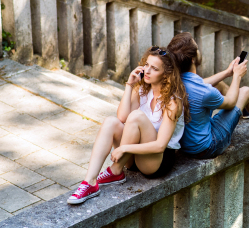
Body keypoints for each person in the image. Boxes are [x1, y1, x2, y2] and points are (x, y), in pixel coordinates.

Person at [67, 46, 188, 205]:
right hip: (135, 155)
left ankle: (116, 170)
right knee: (111, 121)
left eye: (154, 68)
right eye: (146, 65)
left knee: (137, 116)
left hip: (156, 161)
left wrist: (124, 148)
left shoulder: (172, 102)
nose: (148, 71)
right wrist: (129, 86)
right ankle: (89, 182)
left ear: (166, 75)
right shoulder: (143, 89)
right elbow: (122, 117)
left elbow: (159, 146)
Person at [167, 32, 249, 159]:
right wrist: (237, 76)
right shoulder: (205, 91)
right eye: (197, 49)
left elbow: (202, 86)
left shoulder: (174, 80)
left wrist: (227, 73)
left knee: (218, 84)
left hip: (186, 144)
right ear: (193, 59)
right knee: (245, 92)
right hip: (206, 148)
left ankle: (247, 108)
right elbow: (231, 102)